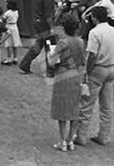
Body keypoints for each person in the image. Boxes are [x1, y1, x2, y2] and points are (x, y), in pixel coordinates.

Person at [75, 6, 114, 146]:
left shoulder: (95, 32)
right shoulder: (112, 30)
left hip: (97, 69)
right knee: (107, 105)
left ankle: (81, 136)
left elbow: (92, 54)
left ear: (95, 17)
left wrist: (87, 70)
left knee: (86, 104)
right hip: (111, 68)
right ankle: (103, 136)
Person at [49, 15, 85, 151]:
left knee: (62, 109)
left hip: (63, 75)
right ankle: (70, 140)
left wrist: (49, 54)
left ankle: (62, 141)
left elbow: (52, 61)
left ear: (64, 28)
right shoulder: (81, 42)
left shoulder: (63, 42)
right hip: (76, 75)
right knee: (75, 108)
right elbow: (82, 61)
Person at [19, 0, 57, 75]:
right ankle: (50, 70)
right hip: (44, 24)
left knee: (39, 44)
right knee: (50, 46)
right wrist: (52, 28)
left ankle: (25, 64)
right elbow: (48, 15)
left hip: (37, 22)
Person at [1, 0, 22, 65]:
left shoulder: (7, 12)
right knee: (14, 44)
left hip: (8, 26)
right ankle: (15, 58)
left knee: (8, 44)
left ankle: (9, 58)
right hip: (15, 27)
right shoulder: (17, 12)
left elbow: (3, 19)